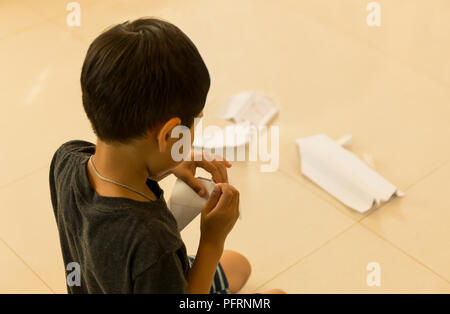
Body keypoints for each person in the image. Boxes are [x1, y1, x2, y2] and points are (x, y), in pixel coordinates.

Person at [49, 17, 284, 294]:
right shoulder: (153, 244)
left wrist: (170, 165)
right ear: (169, 134)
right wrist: (211, 241)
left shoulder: (66, 157)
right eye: (195, 123)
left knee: (238, 265)